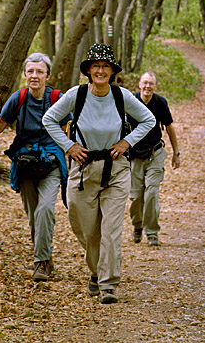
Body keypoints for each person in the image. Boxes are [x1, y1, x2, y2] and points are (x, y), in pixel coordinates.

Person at [43, 43, 155, 304]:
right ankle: (96, 270)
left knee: (111, 230)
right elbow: (49, 119)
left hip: (116, 169)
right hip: (82, 170)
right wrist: (68, 145)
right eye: (96, 66)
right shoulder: (76, 95)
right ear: (89, 70)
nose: (101, 70)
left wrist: (127, 142)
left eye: (106, 66)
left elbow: (148, 120)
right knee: (85, 227)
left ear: (112, 71)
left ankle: (108, 284)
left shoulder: (121, 96)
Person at [0, 53, 71, 283]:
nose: (34, 76)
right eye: (30, 71)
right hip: (24, 163)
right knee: (34, 216)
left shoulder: (57, 98)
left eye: (39, 72)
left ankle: (40, 262)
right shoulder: (19, 98)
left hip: (51, 162)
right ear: (25, 75)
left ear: (48, 75)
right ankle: (45, 255)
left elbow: (67, 131)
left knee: (45, 209)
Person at [128, 71, 180, 247]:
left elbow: (169, 127)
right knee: (135, 197)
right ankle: (137, 225)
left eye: (151, 83)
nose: (147, 86)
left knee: (151, 193)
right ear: (139, 84)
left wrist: (176, 153)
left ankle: (151, 232)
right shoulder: (130, 101)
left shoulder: (160, 102)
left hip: (155, 153)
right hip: (134, 155)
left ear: (155, 86)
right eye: (145, 83)